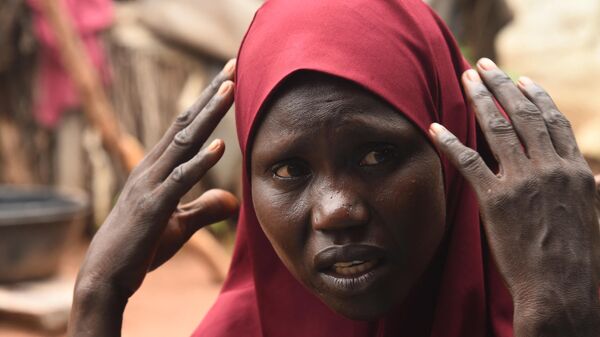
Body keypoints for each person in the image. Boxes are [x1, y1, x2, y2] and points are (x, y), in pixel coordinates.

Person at [67, 0, 600, 336]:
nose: (337, 211)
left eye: (376, 155)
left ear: (458, 148)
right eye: (287, 171)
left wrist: (558, 315)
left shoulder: (567, 302)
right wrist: (98, 294)